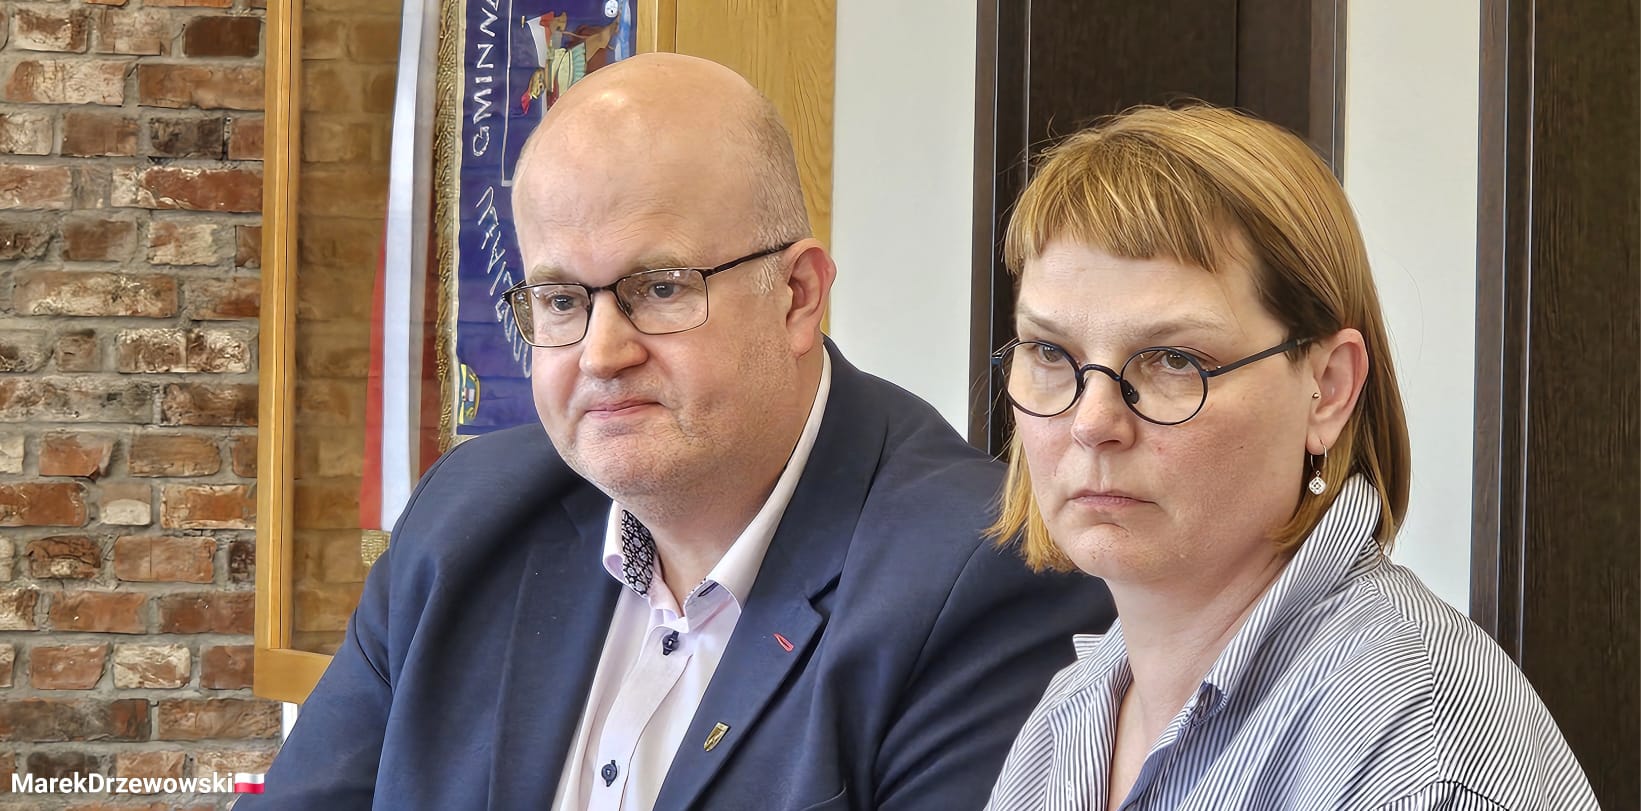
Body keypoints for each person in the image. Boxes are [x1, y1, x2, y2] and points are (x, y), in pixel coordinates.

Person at [245, 53, 1114, 811]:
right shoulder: (465, 518)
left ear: (797, 295)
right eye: (560, 301)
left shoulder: (987, 576)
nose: (601, 353)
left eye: (659, 288)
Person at [982, 105, 1600, 810]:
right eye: (1049, 352)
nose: (1093, 423)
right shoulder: (1070, 712)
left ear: (1327, 389)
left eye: (1175, 359)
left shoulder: (1416, 750)